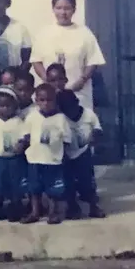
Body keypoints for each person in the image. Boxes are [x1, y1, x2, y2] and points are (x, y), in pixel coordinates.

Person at [30, 0, 107, 111]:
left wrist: (82, 80)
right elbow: (36, 61)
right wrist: (48, 82)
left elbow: (93, 60)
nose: (63, 12)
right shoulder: (44, 33)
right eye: (59, 8)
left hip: (77, 92)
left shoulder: (84, 33)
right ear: (53, 9)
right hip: (50, 96)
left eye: (67, 8)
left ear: (74, 9)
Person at [22, 83, 70, 225]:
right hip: (35, 158)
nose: (45, 104)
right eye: (42, 100)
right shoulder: (32, 117)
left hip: (53, 160)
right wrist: (23, 142)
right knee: (34, 188)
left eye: (49, 100)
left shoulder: (60, 118)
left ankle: (52, 213)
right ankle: (35, 212)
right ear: (36, 101)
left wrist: (63, 155)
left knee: (53, 190)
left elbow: (67, 139)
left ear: (55, 101)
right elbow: (26, 134)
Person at [57, 89, 106, 220]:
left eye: (71, 108)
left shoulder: (88, 114)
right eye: (65, 109)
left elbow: (98, 129)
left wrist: (94, 137)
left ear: (77, 103)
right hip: (66, 154)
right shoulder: (60, 118)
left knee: (88, 182)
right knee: (68, 183)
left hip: (83, 153)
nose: (69, 112)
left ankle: (93, 207)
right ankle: (72, 207)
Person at [0, 87, 28, 221]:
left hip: (14, 159)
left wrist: (21, 144)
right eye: (1, 105)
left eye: (8, 105)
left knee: (14, 184)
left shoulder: (18, 121)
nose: (4, 108)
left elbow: (24, 136)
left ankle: (15, 210)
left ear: (14, 106)